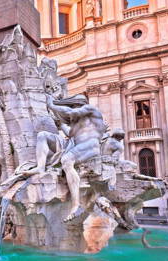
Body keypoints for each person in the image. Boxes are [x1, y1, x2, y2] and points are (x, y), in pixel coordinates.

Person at [21, 78, 106, 222]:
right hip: (76, 145)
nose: (73, 108)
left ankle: (75, 204)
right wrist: (59, 123)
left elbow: (67, 112)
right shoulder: (77, 123)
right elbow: (69, 133)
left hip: (91, 145)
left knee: (67, 160)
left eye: (73, 106)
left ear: (79, 104)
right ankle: (40, 167)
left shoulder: (90, 110)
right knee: (43, 136)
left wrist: (51, 104)